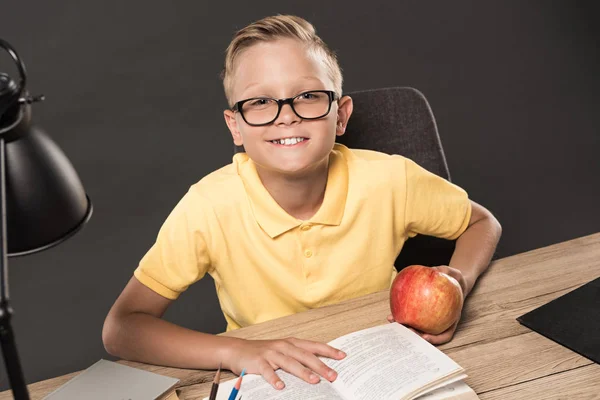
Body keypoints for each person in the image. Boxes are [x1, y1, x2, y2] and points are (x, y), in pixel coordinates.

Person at [102, 14, 502, 391]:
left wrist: (458, 282)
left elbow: (482, 223)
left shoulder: (390, 179)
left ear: (340, 116)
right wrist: (235, 350)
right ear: (235, 126)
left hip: (384, 362)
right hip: (273, 379)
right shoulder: (208, 207)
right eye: (260, 102)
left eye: (308, 95)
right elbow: (122, 328)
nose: (286, 116)